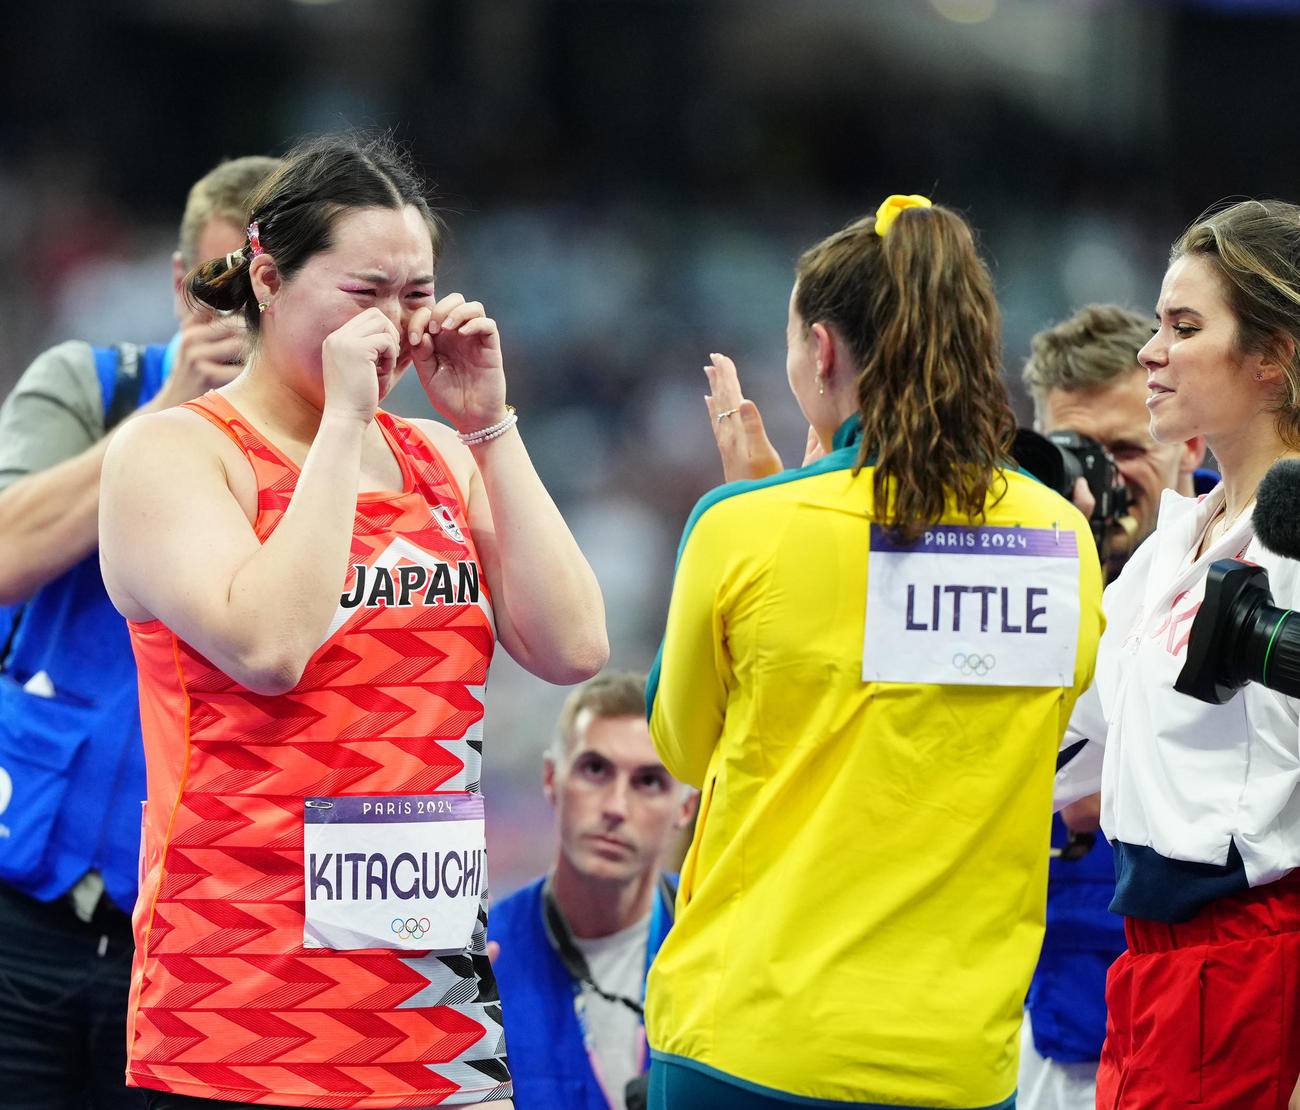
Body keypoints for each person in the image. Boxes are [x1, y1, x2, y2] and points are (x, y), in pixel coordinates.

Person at [97, 133, 608, 1109]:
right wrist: (340, 423)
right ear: (268, 277)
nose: (397, 323)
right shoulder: (175, 457)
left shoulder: (438, 458)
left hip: (435, 1018)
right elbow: (270, 646)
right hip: (239, 1016)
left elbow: (572, 646)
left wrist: (489, 428)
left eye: (417, 294)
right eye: (365, 291)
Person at [644, 195, 1104, 1109]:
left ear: (821, 351)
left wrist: (764, 505)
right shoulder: (1063, 539)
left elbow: (686, 748)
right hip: (958, 1063)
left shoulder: (741, 527)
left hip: (749, 1045)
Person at [0, 154, 279, 1110]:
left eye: (262, 291)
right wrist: (164, 424)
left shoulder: (326, 461)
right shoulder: (94, 384)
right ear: (176, 281)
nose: (237, 316)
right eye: (217, 285)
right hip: (20, 910)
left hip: (196, 947)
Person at [1053, 199, 1300, 1110]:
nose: (1150, 352)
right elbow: (1058, 741)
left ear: (1271, 356)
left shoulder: (1296, 547)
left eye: (1184, 328)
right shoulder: (1170, 546)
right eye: (1158, 325)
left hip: (1252, 973)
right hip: (1148, 973)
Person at [1016, 305, 1209, 1110]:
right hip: (1036, 1022)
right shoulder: (1010, 566)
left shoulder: (1244, 567)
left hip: (1197, 1014)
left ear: (1189, 444)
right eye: (1074, 453)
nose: (1098, 482)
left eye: (1126, 451)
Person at [489, 670, 696, 1110]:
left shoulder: (721, 941)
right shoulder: (482, 961)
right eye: (595, 769)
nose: (616, 808)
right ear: (550, 778)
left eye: (648, 781)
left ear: (685, 809)